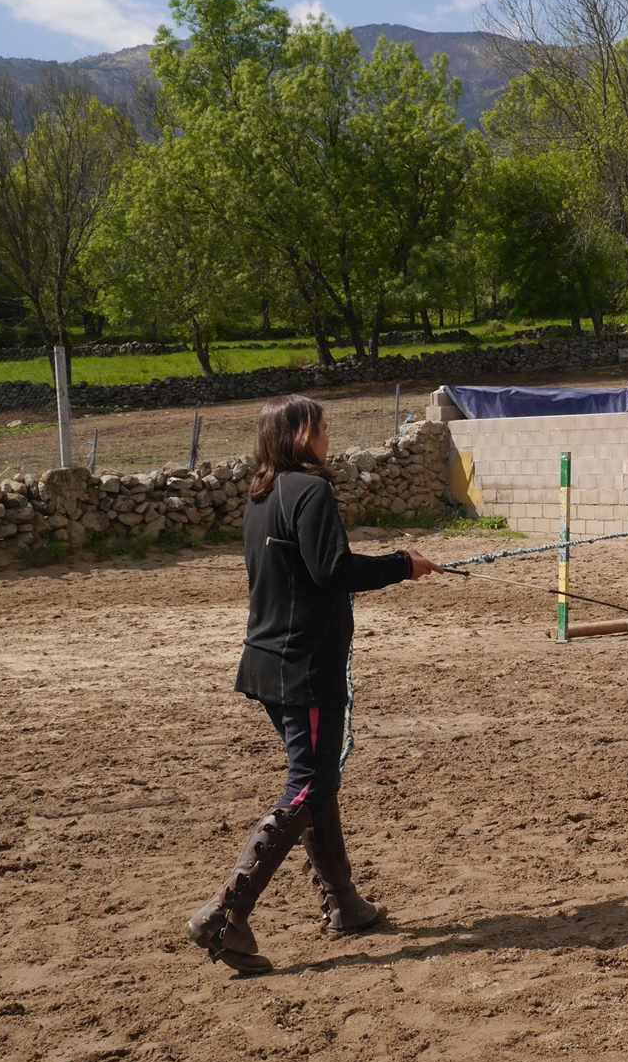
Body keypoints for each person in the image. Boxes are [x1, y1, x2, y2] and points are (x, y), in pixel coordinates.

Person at [188, 395, 441, 974]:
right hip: (305, 667)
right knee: (307, 786)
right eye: (322, 426)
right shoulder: (311, 491)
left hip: (267, 662)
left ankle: (344, 903)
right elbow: (334, 570)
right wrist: (403, 564)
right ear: (301, 433)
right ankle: (226, 912)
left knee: (318, 782)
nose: (329, 433)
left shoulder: (260, 496)